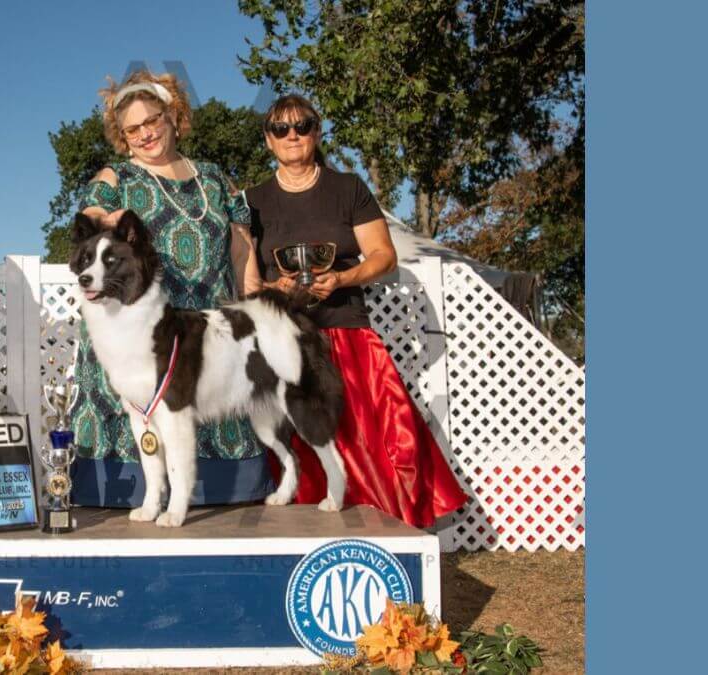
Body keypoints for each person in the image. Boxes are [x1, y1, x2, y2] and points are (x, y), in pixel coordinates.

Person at [245, 94, 468, 528]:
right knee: (296, 443)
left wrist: (343, 279)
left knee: (373, 440)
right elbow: (249, 278)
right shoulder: (251, 200)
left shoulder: (348, 188)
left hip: (346, 329)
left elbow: (383, 256)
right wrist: (277, 287)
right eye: (281, 129)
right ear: (268, 140)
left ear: (317, 131)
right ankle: (302, 542)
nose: (292, 136)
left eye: (302, 126)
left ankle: (388, 534)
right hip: (282, 341)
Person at [69, 71, 272, 507]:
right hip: (139, 332)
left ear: (173, 116)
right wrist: (109, 219)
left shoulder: (215, 177)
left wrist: (253, 305)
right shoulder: (115, 176)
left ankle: (218, 491)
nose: (145, 134)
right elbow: (88, 220)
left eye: (152, 121)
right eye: (133, 129)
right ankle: (141, 495)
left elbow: (241, 248)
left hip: (206, 332)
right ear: (122, 138)